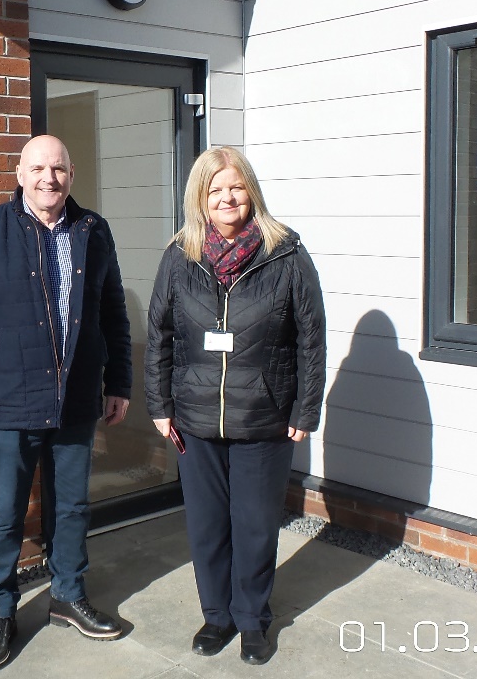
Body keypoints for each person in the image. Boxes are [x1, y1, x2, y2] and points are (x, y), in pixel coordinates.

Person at [0, 134, 132, 670]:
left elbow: (112, 311)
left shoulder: (93, 231)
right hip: (10, 401)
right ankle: (0, 614)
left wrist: (118, 380)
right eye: (39, 168)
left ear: (72, 173)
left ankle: (68, 594)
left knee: (71, 506)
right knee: (3, 515)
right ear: (20, 173)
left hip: (75, 399)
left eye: (60, 169)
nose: (50, 178)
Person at [144, 146, 326, 666]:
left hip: (264, 418)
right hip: (195, 417)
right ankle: (216, 616)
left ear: (252, 191)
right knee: (206, 526)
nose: (227, 197)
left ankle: (251, 619)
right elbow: (157, 333)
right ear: (200, 198)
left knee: (254, 524)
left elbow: (312, 338)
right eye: (215, 189)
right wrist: (159, 404)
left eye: (236, 186)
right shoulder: (180, 255)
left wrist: (305, 410)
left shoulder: (286, 254)